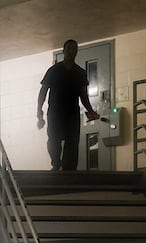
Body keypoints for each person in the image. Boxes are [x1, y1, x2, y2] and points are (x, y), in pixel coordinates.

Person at [36, 39, 100, 171]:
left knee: (72, 141)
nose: (72, 51)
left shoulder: (80, 73)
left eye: (74, 49)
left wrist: (90, 110)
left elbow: (83, 95)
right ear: (63, 51)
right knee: (54, 139)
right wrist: (39, 111)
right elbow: (43, 91)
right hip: (55, 112)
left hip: (72, 112)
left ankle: (68, 169)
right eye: (69, 48)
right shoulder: (54, 70)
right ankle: (56, 164)